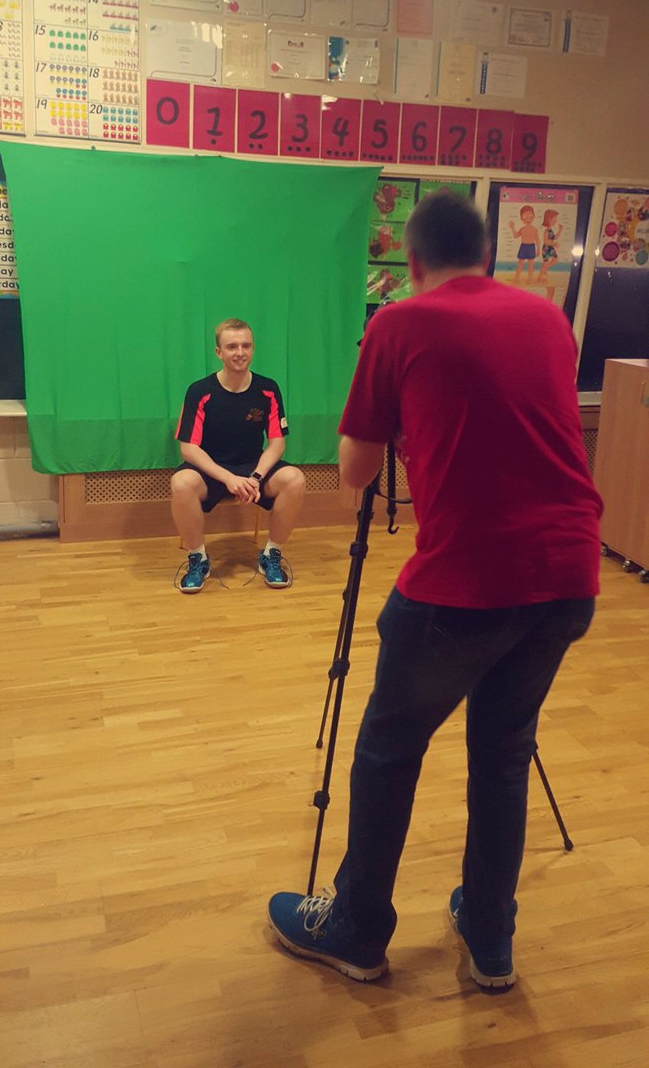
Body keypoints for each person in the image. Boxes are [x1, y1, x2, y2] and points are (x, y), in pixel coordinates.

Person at [268, 191, 602, 990]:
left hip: (464, 586)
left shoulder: (398, 323)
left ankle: (355, 930)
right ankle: (490, 937)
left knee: (388, 749)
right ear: (487, 255)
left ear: (411, 264)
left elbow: (352, 473)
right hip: (568, 574)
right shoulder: (547, 318)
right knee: (501, 752)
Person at [171, 318, 305, 592]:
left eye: (246, 345)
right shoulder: (199, 391)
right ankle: (198, 559)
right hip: (211, 470)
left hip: (252, 469)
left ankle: (271, 555)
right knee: (181, 482)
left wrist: (256, 477)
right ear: (219, 352)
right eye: (232, 346)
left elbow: (277, 443)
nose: (240, 352)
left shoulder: (268, 389)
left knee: (295, 479)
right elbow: (188, 448)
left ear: (253, 349)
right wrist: (228, 478)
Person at [509, 203, 540, 284]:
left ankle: (530, 279)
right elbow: (516, 236)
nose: (528, 217)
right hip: (523, 247)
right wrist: (512, 228)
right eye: (525, 215)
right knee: (520, 264)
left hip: (531, 247)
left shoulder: (534, 229)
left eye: (530, 215)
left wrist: (538, 250)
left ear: (533, 216)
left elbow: (537, 240)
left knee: (531, 264)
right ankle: (517, 278)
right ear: (521, 218)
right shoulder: (522, 229)